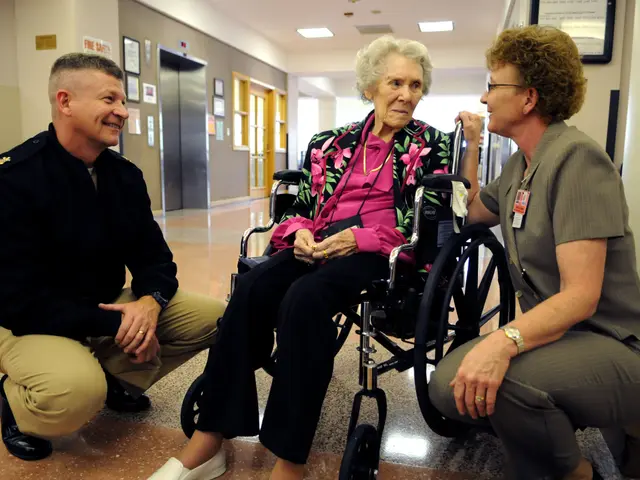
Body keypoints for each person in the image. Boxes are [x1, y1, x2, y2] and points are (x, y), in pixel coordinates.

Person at [149, 35, 483, 480]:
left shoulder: (431, 144)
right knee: (251, 287)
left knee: (305, 299)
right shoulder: (330, 142)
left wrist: (359, 238)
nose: (406, 95)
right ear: (370, 87)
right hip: (318, 243)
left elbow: (443, 211)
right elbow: (302, 206)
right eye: (395, 82)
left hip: (380, 250)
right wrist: (302, 231)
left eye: (416, 85)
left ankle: (290, 460)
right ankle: (210, 439)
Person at [428, 25, 640, 480]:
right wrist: (471, 146)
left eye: (493, 86)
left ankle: (575, 473)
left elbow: (581, 296)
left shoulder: (577, 159)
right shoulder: (521, 163)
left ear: (527, 98)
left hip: (610, 341)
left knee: (501, 381)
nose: (485, 99)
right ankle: (549, 431)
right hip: (561, 335)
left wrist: (505, 343)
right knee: (447, 385)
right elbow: (474, 211)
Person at [0, 53, 225, 462]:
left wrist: (149, 303)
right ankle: (16, 404)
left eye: (123, 102)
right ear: (65, 101)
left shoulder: (123, 176)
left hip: (102, 306)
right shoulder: (15, 179)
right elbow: (19, 301)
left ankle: (115, 376)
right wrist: (121, 321)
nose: (122, 112)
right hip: (26, 323)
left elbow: (155, 259)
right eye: (109, 100)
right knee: (74, 395)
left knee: (221, 317)